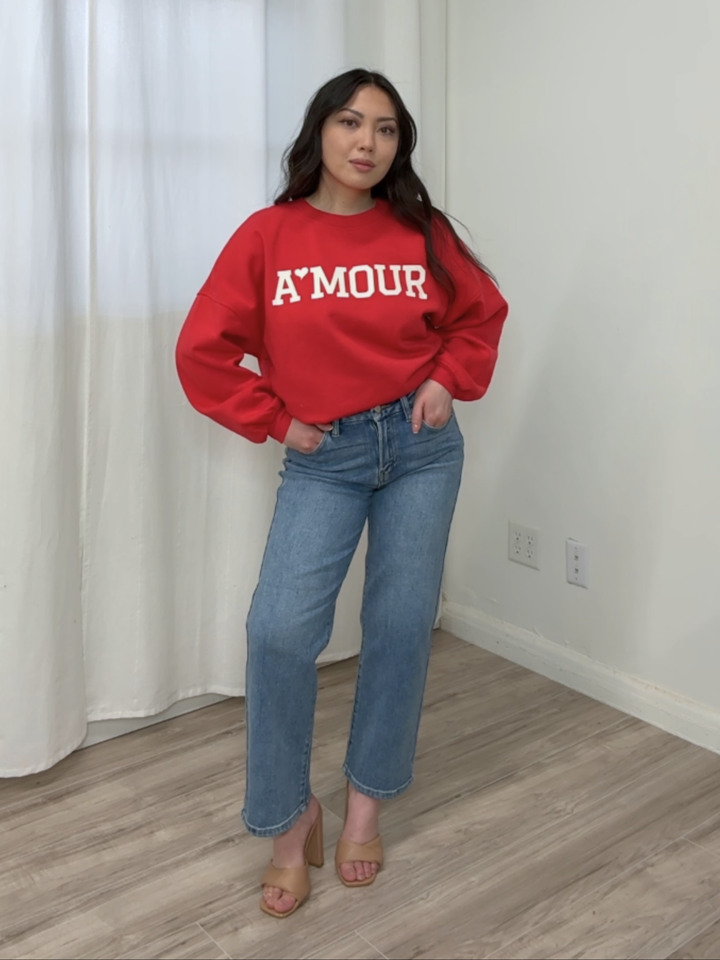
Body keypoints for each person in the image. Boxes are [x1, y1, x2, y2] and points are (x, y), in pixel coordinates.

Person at [175, 68, 508, 918]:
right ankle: (290, 819)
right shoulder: (269, 236)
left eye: (386, 129)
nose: (367, 142)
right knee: (279, 631)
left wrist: (447, 381)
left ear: (399, 146)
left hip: (422, 449)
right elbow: (202, 351)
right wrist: (275, 421)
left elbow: (479, 316)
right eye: (351, 122)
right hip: (326, 453)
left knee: (399, 625)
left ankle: (366, 806)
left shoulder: (421, 231)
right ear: (319, 130)